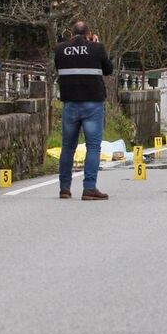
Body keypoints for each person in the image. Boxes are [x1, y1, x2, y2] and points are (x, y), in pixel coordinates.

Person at [54, 21, 113, 201]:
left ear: (72, 35)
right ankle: (89, 188)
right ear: (89, 34)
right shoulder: (97, 48)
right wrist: (95, 44)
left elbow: (59, 68)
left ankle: (64, 188)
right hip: (92, 104)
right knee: (93, 146)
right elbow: (108, 70)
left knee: (67, 147)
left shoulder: (60, 49)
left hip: (70, 103)